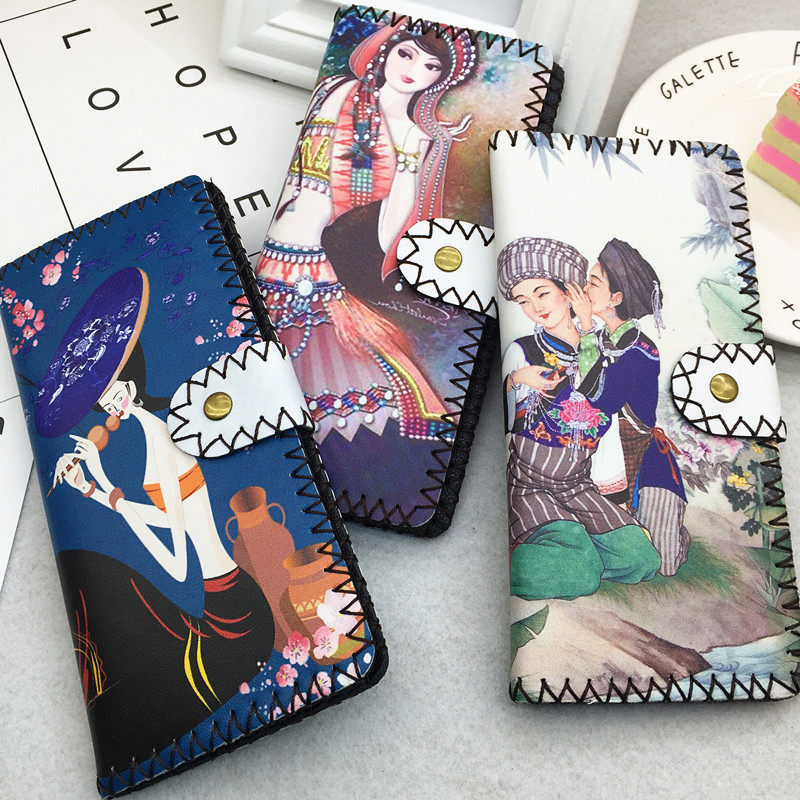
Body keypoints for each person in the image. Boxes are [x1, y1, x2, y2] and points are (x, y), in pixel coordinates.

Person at [41, 267, 274, 772]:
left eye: (112, 391)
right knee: (91, 575)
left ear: (130, 380)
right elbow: (171, 531)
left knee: (98, 579)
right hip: (224, 604)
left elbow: (175, 561)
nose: (109, 405)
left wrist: (105, 484)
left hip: (235, 621)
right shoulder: (152, 434)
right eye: (102, 401)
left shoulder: (162, 442)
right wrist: (94, 491)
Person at [256, 19, 477, 511]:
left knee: (350, 371)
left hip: (333, 256)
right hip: (285, 248)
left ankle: (328, 480)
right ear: (385, 51)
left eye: (430, 66)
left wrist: (375, 261)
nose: (413, 69)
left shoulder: (415, 134)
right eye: (406, 54)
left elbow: (394, 218)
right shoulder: (338, 91)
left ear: (439, 79)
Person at [500, 238, 661, 602]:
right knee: (581, 573)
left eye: (542, 294)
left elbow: (608, 425)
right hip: (530, 484)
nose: (534, 307)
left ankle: (574, 553)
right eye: (523, 301)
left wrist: (618, 500)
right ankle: (512, 561)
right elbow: (503, 425)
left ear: (569, 292)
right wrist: (515, 380)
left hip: (579, 484)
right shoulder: (522, 350)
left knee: (641, 559)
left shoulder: (609, 349)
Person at [581, 238, 689, 575]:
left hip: (643, 463)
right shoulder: (597, 340)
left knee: (665, 564)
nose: (585, 289)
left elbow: (602, 399)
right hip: (595, 459)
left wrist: (584, 329)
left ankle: (675, 532)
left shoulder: (643, 350)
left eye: (593, 283)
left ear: (615, 299)